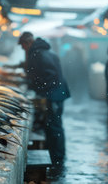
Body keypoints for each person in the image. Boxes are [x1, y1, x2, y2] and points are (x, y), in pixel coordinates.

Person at [18, 32, 70, 166]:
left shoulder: (40, 54)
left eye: (23, 46)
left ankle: (58, 158)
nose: (23, 49)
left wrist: (36, 86)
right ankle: (55, 154)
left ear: (28, 42)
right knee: (52, 125)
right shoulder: (42, 51)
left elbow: (50, 76)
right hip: (55, 93)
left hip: (54, 94)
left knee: (54, 126)